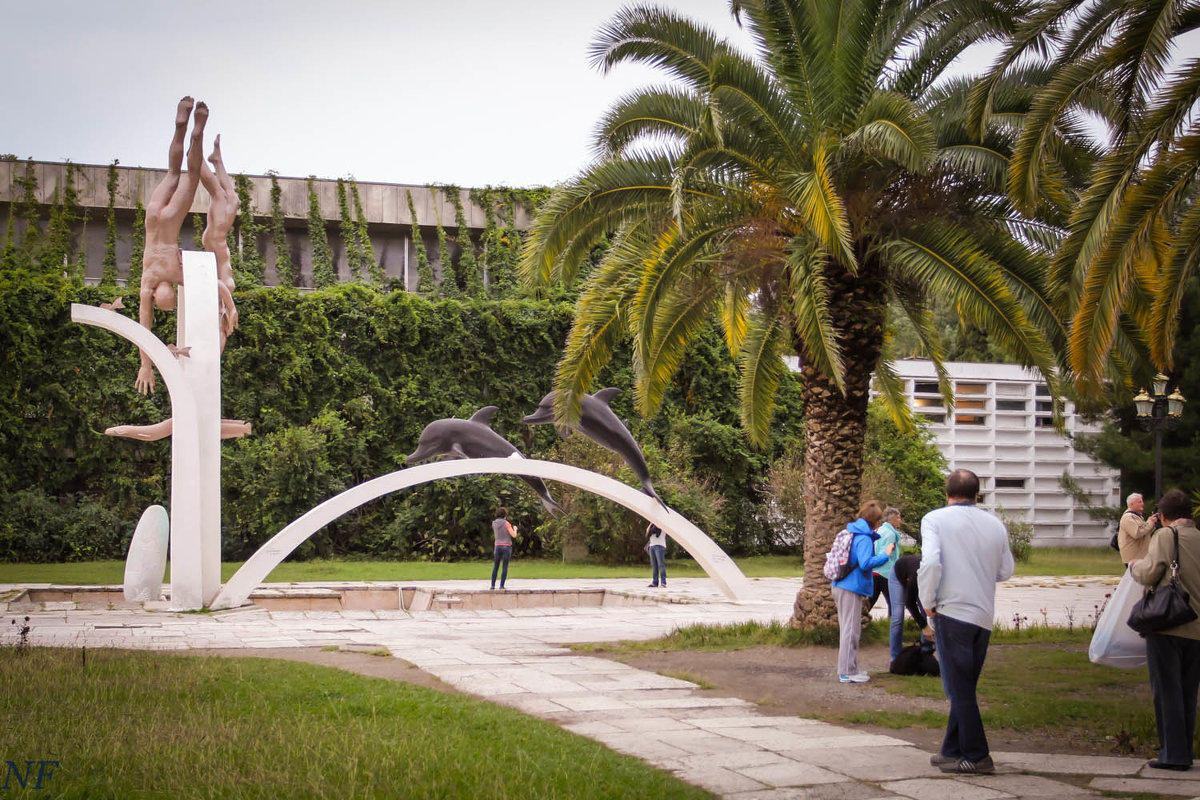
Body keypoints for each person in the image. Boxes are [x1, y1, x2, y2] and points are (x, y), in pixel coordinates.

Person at [918, 469, 1014, 775]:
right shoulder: (995, 524)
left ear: (946, 495)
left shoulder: (935, 519)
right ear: (977, 495)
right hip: (983, 615)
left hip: (951, 611)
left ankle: (977, 754)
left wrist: (927, 601)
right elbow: (1005, 570)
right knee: (965, 685)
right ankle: (952, 749)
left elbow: (931, 562)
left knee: (958, 689)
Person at [137, 97, 208, 395]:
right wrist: (148, 363)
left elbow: (145, 327)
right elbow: (144, 325)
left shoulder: (177, 276)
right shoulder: (149, 280)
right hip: (153, 219)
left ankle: (196, 132)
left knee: (191, 177)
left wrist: (147, 365)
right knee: (172, 173)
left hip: (169, 224)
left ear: (158, 294)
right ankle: (182, 129)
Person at [1129, 487, 1200, 771]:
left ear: (1164, 516)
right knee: (1188, 691)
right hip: (1197, 629)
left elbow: (1150, 572)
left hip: (1168, 623)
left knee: (1167, 690)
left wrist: (1134, 566)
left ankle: (1173, 754)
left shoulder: (1165, 536)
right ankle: (1185, 749)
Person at [831, 500, 893, 684]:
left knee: (849, 629)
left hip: (841, 585)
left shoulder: (851, 532)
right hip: (850, 587)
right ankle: (847, 672)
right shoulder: (864, 537)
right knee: (850, 630)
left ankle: (851, 669)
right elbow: (865, 563)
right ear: (874, 521)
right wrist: (886, 555)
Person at [198, 134, 239, 346]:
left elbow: (215, 283)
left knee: (221, 195)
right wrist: (229, 311)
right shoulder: (222, 299)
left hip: (216, 240)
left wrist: (229, 310)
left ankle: (198, 158)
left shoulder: (219, 296)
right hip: (218, 239)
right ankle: (214, 159)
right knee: (230, 198)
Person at [889, 553, 934, 664]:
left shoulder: (936, 576)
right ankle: (895, 659)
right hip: (898, 574)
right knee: (898, 617)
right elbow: (910, 604)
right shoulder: (916, 576)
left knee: (926, 612)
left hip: (917, 578)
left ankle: (925, 654)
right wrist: (924, 626)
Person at [867, 507, 902, 613]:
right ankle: (892, 626)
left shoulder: (878, 530)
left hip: (874, 572)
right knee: (895, 605)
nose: (900, 520)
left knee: (869, 603)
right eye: (898, 517)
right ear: (891, 519)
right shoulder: (890, 534)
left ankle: (858, 622)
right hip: (885, 573)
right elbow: (884, 554)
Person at [1119, 492, 1159, 566]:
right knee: (1134, 577)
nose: (1142, 504)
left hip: (1139, 557)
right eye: (1139, 502)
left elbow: (1145, 533)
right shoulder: (1128, 517)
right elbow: (1137, 533)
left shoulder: (1137, 516)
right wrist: (1150, 522)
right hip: (1133, 558)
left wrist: (1153, 523)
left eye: (1142, 501)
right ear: (1131, 504)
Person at [490, 507, 518, 590]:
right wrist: (515, 529)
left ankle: (492, 585)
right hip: (506, 546)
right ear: (505, 515)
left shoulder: (494, 523)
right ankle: (501, 586)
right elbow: (514, 535)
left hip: (497, 546)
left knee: (496, 566)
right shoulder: (507, 523)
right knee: (504, 566)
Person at [645, 522, 667, 588]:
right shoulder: (652, 526)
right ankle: (655, 582)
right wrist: (651, 523)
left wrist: (655, 521)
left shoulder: (663, 525)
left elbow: (659, 526)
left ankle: (663, 583)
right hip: (652, 546)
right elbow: (647, 531)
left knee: (661, 564)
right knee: (654, 565)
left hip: (660, 546)